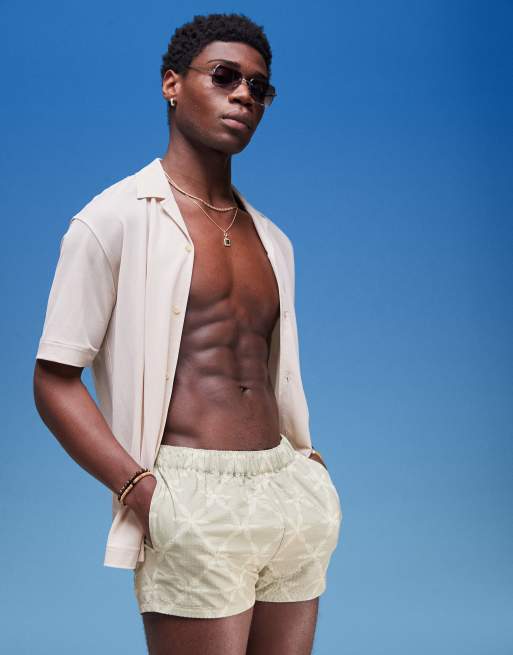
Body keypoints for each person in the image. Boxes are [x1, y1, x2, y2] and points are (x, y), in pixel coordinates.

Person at [33, 12, 342, 655]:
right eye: (225, 76)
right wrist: (138, 489)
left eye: (259, 87)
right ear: (172, 84)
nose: (244, 96)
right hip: (186, 493)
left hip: (287, 491)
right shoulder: (111, 220)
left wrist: (307, 472)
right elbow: (54, 378)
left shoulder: (274, 241)